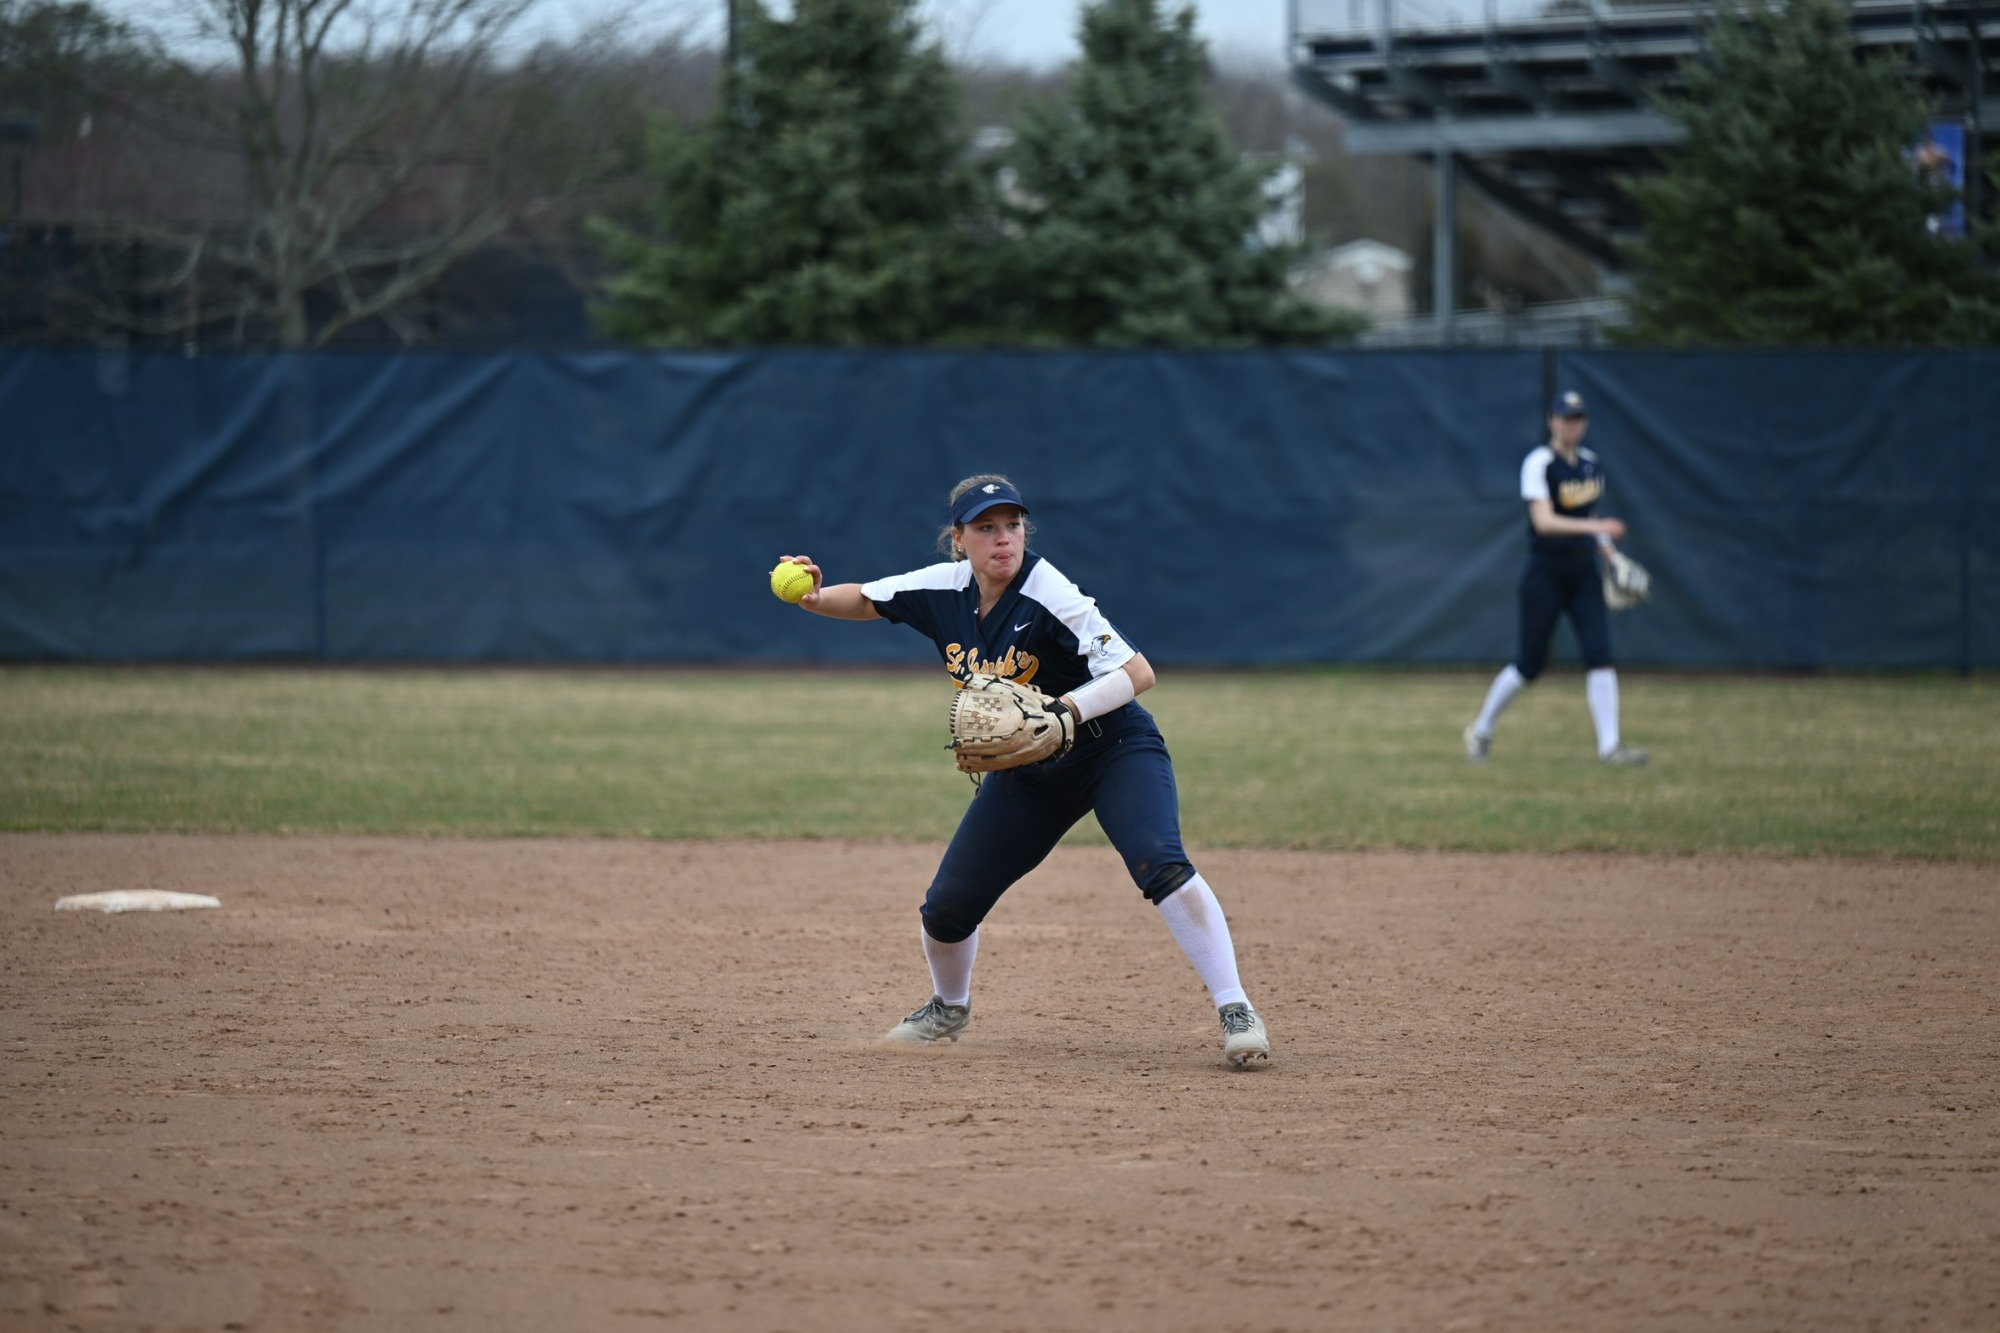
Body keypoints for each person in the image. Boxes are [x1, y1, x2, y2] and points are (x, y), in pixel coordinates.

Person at [778, 474, 1271, 1068]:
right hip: (1032, 772)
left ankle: (1235, 1008)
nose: (1003, 539)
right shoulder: (943, 588)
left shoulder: (1049, 591)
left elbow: (1138, 673)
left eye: (1012, 525)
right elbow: (867, 598)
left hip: (1111, 749)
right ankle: (947, 1007)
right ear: (959, 539)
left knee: (1159, 861)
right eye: (986, 528)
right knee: (946, 908)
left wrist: (1066, 711)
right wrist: (814, 596)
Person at [1464, 390, 1648, 766]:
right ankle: (1481, 729)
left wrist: (1610, 554)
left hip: (1584, 571)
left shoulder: (1590, 464)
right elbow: (1544, 522)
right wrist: (1597, 525)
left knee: (1600, 655)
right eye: (1565, 417)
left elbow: (1588, 517)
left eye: (1578, 418)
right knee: (1529, 665)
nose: (1571, 424)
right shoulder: (1540, 463)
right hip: (1545, 572)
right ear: (1551, 421)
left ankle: (1609, 747)